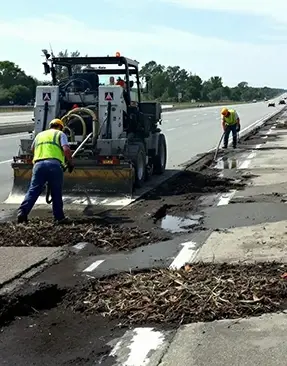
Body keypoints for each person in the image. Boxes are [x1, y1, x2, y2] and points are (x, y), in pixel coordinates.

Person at [17, 118, 74, 225]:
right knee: (56, 192)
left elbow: (32, 149)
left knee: (33, 190)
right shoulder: (60, 134)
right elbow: (66, 149)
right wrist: (70, 162)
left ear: (50, 126)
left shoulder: (39, 135)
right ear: (61, 127)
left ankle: (22, 213)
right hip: (54, 165)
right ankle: (59, 218)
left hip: (38, 165)